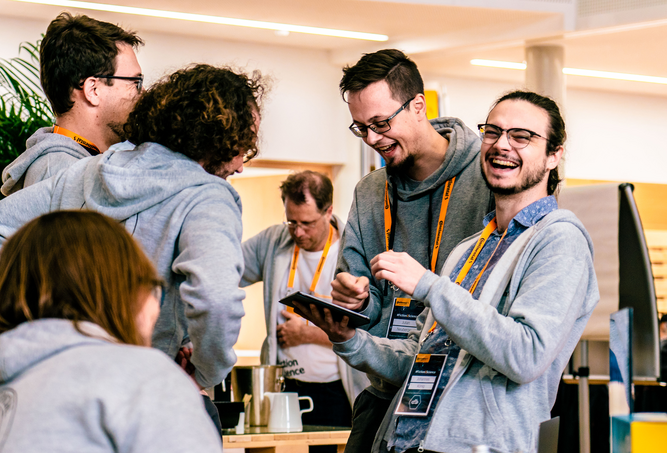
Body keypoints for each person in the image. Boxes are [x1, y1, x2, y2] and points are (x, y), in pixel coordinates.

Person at [0, 64, 266, 431]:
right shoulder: (207, 197)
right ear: (220, 137)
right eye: (243, 146)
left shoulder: (92, 173)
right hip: (156, 397)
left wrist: (49, 335)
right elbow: (215, 297)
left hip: (75, 393)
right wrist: (204, 372)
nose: (241, 165)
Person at [301, 90, 600, 452]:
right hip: (404, 442)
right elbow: (420, 357)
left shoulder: (560, 240)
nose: (502, 145)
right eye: (493, 132)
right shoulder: (467, 249)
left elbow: (526, 355)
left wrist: (428, 286)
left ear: (554, 155)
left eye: (521, 136)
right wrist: (349, 339)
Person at [318, 49, 493, 452]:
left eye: (381, 123)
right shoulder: (370, 192)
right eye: (361, 128)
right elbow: (364, 305)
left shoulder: (486, 177)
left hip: (460, 396)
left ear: (418, 106)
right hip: (385, 391)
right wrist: (355, 298)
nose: (372, 139)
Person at [0, 211, 221, 453]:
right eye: (153, 288)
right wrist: (174, 393)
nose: (155, 305)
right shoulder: (145, 379)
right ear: (122, 294)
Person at [240, 171, 368, 451]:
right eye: (291, 222)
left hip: (334, 389)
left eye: (307, 223)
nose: (298, 232)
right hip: (283, 386)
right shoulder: (273, 241)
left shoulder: (353, 251)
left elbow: (368, 332)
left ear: (328, 211)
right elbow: (225, 270)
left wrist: (307, 334)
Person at [0, 12, 144, 196]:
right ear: (93, 90)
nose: (143, 92)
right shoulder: (61, 176)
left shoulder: (70, 166)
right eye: (135, 82)